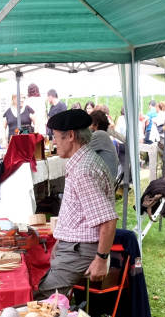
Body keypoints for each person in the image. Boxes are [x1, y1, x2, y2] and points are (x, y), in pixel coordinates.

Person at [35, 109, 117, 299]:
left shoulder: (83, 170)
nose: (54, 143)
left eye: (55, 137)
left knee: (41, 298)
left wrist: (101, 259)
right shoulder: (85, 161)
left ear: (70, 136)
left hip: (81, 249)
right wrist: (61, 240)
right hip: (74, 245)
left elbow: (108, 220)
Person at [87, 109, 120, 181]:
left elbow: (81, 150)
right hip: (107, 179)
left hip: (104, 182)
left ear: (96, 123)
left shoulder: (99, 135)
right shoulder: (103, 135)